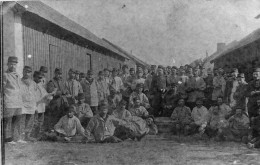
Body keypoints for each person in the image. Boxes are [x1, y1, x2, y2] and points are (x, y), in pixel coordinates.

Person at [3, 56, 24, 144]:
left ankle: (17, 138)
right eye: (11, 64)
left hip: (18, 102)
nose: (13, 66)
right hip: (9, 101)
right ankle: (8, 139)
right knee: (8, 120)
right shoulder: (5, 75)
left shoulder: (17, 75)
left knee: (17, 120)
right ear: (8, 64)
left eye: (14, 64)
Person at [20, 66, 39, 142]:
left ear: (31, 73)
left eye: (28, 72)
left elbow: (35, 95)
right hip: (22, 105)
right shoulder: (19, 82)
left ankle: (27, 136)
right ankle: (20, 137)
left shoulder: (33, 83)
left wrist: (35, 106)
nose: (26, 73)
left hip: (31, 105)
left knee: (30, 122)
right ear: (23, 72)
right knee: (21, 121)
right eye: (25, 71)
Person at [33, 71, 53, 140]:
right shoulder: (32, 85)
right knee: (35, 122)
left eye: (41, 78)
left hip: (41, 106)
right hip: (35, 106)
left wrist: (49, 96)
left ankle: (38, 136)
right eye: (39, 78)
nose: (40, 79)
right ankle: (33, 135)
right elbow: (33, 97)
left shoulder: (41, 86)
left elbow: (45, 94)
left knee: (40, 122)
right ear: (34, 77)